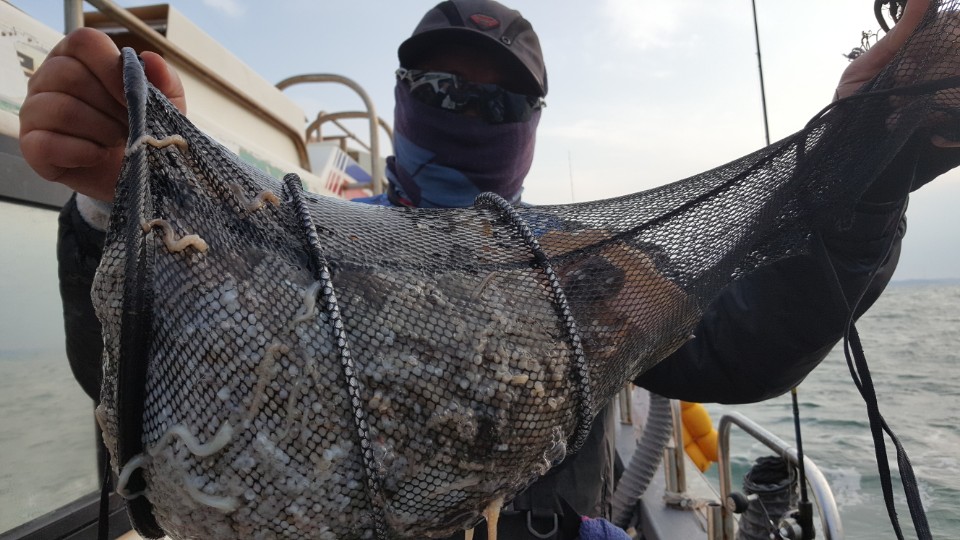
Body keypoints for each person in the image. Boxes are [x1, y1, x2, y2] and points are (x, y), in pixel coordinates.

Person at [18, 1, 958, 539]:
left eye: (498, 101)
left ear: (532, 126)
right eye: (437, 88)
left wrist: (866, 172)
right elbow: (144, 377)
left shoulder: (587, 273)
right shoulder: (297, 243)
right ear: (400, 97)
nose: (464, 111)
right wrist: (115, 202)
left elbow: (747, 346)